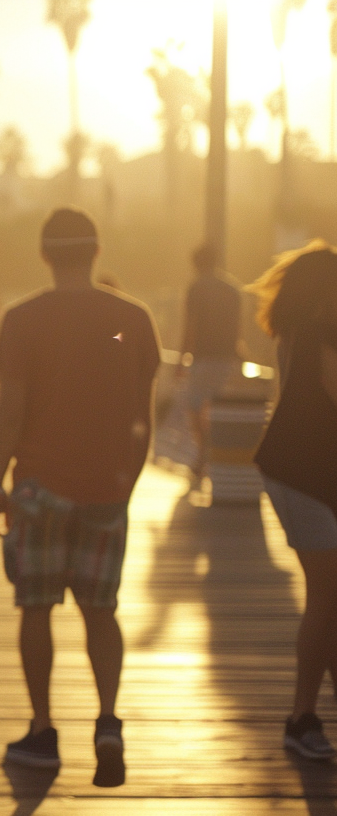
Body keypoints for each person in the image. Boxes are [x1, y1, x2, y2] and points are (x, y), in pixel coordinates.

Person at [0, 208, 160, 788]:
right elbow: (144, 417)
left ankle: (42, 730)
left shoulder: (22, 319)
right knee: (100, 610)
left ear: (45, 254)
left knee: (36, 609)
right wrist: (127, 484)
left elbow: (9, 412)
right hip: (106, 488)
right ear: (95, 251)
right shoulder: (133, 318)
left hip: (40, 487)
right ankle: (108, 722)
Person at [248, 241, 337, 761]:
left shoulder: (294, 333)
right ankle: (301, 717)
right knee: (326, 597)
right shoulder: (321, 332)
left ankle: (307, 715)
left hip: (300, 472)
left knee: (329, 599)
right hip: (303, 476)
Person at [180, 243, 243, 490]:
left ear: (196, 264)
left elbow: (191, 326)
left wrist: (183, 358)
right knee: (219, 409)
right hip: (228, 358)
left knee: (194, 405)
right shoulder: (233, 289)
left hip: (204, 358)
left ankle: (202, 453)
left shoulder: (196, 288)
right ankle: (211, 453)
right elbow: (238, 327)